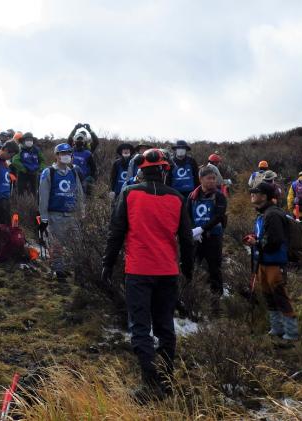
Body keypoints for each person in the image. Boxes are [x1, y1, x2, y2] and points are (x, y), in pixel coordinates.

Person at [102, 148, 194, 399]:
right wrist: (188, 268)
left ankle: (150, 384)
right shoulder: (177, 198)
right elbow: (186, 239)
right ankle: (165, 381)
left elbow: (116, 233)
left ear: (140, 171)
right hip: (167, 271)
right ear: (165, 170)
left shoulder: (129, 193)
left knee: (140, 328)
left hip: (139, 271)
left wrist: (107, 265)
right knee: (165, 328)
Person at [244, 182, 298, 341]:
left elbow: (275, 241)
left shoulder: (272, 214)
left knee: (280, 295)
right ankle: (277, 329)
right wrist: (255, 238)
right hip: (264, 261)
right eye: (252, 192)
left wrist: (256, 243)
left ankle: (292, 333)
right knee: (269, 295)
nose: (252, 194)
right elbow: (266, 237)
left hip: (274, 262)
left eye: (256, 192)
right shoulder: (263, 213)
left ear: (265, 196)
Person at [38, 143, 85, 280]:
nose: (66, 156)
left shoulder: (73, 171)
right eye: (63, 153)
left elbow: (79, 192)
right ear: (57, 155)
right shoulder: (49, 172)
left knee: (77, 244)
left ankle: (79, 273)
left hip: (73, 215)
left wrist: (82, 210)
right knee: (57, 245)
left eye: (68, 153)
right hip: (55, 216)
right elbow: (43, 196)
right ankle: (59, 272)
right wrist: (44, 217)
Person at [187, 165, 228, 299]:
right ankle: (193, 296)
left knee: (214, 269)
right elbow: (187, 216)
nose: (212, 181)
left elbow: (218, 217)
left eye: (214, 178)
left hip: (213, 237)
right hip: (196, 238)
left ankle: (217, 298)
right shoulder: (191, 196)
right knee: (193, 267)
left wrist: (202, 229)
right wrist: (193, 230)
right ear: (201, 179)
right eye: (209, 178)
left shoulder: (220, 196)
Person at [10, 132, 46, 196]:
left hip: (34, 173)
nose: (29, 141)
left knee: (34, 191)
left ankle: (33, 203)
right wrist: (24, 169)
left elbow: (42, 160)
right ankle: (20, 203)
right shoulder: (20, 149)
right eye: (27, 140)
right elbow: (15, 160)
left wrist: (40, 168)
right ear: (23, 141)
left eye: (30, 140)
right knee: (20, 191)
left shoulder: (36, 150)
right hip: (23, 174)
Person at [72, 129, 97, 194]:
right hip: (72, 179)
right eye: (78, 139)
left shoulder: (88, 153)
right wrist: (75, 128)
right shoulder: (70, 152)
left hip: (84, 180)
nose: (79, 141)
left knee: (83, 198)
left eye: (81, 139)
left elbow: (93, 168)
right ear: (74, 141)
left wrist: (91, 177)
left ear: (84, 141)